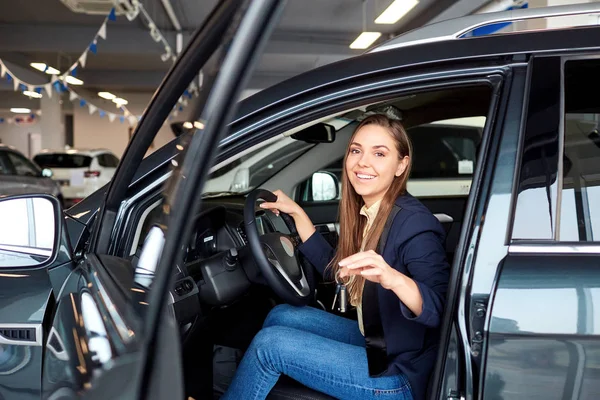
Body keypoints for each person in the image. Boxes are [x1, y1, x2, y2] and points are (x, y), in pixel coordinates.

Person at [222, 114, 450, 400]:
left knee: (270, 345)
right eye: (356, 150)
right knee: (281, 315)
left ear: (401, 165)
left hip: (401, 374)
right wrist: (297, 214)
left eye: (379, 153)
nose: (362, 162)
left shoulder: (414, 224)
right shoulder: (372, 213)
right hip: (380, 341)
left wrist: (393, 278)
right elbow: (337, 271)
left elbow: (440, 310)